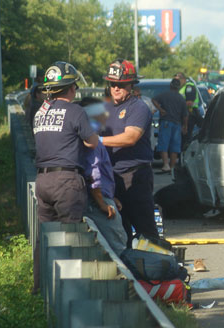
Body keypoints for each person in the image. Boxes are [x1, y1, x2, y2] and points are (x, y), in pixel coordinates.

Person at [32, 61, 98, 292]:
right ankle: (71, 292)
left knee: (45, 238)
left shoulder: (40, 113)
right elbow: (91, 142)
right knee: (71, 237)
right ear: (71, 88)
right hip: (66, 182)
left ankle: (39, 287)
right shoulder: (75, 111)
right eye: (75, 86)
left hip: (43, 180)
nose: (76, 90)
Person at [100, 58, 158, 245]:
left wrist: (98, 141)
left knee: (145, 231)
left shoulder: (138, 107)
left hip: (135, 176)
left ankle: (157, 269)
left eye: (121, 84)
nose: (116, 88)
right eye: (113, 84)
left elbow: (130, 137)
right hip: (112, 178)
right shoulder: (106, 109)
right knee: (119, 233)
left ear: (131, 85)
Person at [80, 97, 128, 255]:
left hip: (101, 197)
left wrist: (110, 197)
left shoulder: (90, 137)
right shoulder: (90, 140)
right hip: (96, 203)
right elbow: (92, 173)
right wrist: (102, 202)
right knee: (118, 245)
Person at [152, 78, 188, 173]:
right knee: (174, 147)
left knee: (163, 144)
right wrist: (185, 126)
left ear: (171, 86)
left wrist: (160, 109)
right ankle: (172, 167)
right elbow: (185, 115)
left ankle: (166, 164)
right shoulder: (181, 98)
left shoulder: (164, 95)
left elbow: (153, 100)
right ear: (179, 87)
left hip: (166, 123)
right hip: (177, 124)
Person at [174, 72, 204, 147]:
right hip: (184, 115)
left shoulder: (189, 87)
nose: (176, 83)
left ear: (183, 79)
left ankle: (185, 154)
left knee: (186, 138)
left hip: (190, 114)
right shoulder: (181, 88)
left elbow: (189, 103)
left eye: (178, 81)